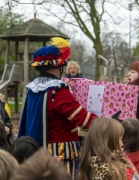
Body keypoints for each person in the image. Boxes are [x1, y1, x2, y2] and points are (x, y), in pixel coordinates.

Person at [18, 37, 98, 180]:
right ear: (58, 67)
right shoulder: (58, 90)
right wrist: (107, 122)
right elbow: (84, 120)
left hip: (38, 152)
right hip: (59, 156)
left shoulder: (33, 88)